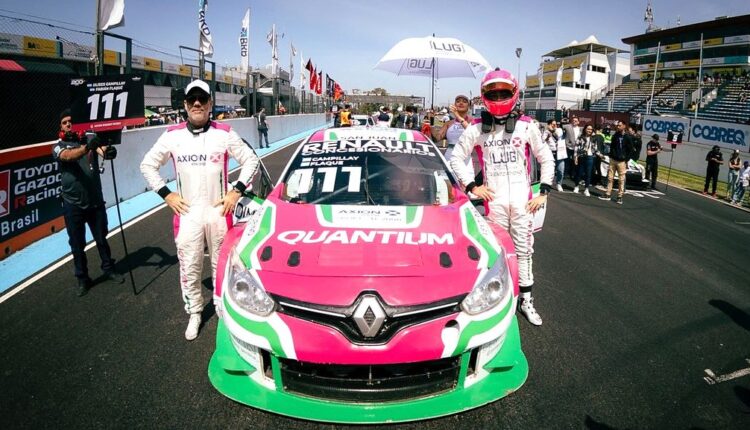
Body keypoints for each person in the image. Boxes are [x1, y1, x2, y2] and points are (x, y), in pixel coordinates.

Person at [140, 79, 260, 341]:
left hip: (219, 212)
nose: (197, 103)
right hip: (188, 214)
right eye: (192, 99)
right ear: (185, 104)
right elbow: (147, 165)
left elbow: (251, 160)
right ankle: (195, 312)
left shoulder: (224, 132)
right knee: (190, 266)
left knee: (222, 265)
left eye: (202, 99)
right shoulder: (172, 135)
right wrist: (167, 194)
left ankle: (221, 307)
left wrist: (236, 191)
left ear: (210, 104)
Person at [450, 68, 554, 326]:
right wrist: (473, 186)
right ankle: (499, 299)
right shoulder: (476, 128)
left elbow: (546, 157)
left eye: (503, 93)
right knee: (497, 251)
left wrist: (544, 192)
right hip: (493, 201)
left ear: (514, 93)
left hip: (522, 202)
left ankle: (526, 300)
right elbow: (456, 158)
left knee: (524, 251)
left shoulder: (527, 125)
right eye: (493, 94)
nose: (498, 98)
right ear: (484, 95)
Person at [53, 109, 124, 296]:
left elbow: (103, 151)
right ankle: (82, 278)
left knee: (102, 238)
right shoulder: (58, 146)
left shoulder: (90, 139)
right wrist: (86, 148)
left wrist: (109, 151)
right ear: (61, 126)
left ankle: (109, 268)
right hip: (72, 204)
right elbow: (68, 156)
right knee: (77, 244)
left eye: (71, 121)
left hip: (95, 201)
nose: (69, 124)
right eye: (65, 122)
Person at [598, 121, 634, 205]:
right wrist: (611, 156)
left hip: (622, 161)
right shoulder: (615, 136)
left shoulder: (627, 137)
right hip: (613, 160)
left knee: (621, 180)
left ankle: (619, 196)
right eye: (617, 125)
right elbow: (612, 147)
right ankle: (608, 194)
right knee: (610, 178)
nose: (618, 127)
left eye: (620, 125)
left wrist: (626, 159)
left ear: (624, 126)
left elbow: (631, 150)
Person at [436, 94, 473, 164]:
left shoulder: (473, 122)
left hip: (466, 159)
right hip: (449, 158)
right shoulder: (448, 123)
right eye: (458, 101)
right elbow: (437, 138)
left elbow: (471, 132)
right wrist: (430, 126)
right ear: (454, 105)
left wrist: (457, 114)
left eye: (464, 101)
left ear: (469, 106)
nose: (461, 103)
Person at [542, 119, 566, 191]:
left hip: (560, 152)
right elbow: (542, 141)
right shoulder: (546, 132)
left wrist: (553, 131)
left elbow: (559, 136)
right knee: (550, 170)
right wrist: (548, 134)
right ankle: (548, 183)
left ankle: (559, 183)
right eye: (553, 124)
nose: (555, 125)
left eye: (556, 124)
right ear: (549, 125)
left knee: (561, 169)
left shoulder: (559, 130)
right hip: (551, 152)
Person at [572, 124, 596, 196]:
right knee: (579, 172)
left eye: (591, 129)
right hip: (581, 156)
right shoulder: (580, 137)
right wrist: (575, 157)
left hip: (590, 157)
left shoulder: (593, 138)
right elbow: (576, 147)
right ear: (585, 129)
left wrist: (600, 155)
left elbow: (595, 148)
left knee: (588, 174)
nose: (589, 130)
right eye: (588, 129)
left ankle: (586, 189)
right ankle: (576, 186)